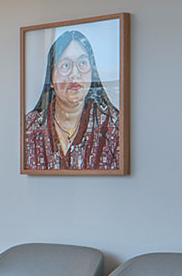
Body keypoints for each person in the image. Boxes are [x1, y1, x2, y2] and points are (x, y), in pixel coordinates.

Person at [22, 30, 121, 171]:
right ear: (50, 77)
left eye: (82, 63)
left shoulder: (114, 125)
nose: (75, 74)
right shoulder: (30, 127)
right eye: (65, 65)